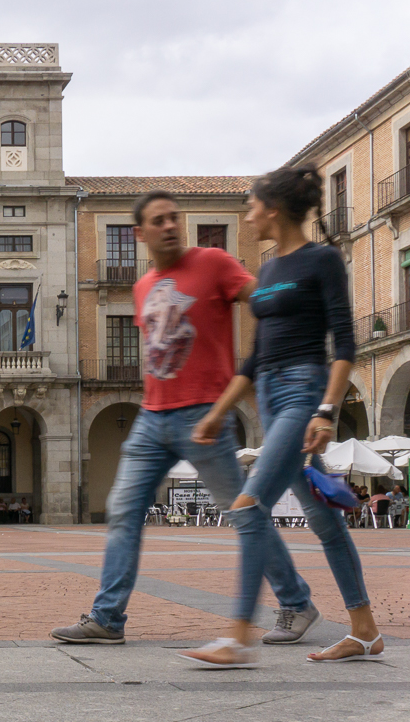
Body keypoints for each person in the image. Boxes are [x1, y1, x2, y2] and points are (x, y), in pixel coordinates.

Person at [55, 190, 319, 645]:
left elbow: (264, 301)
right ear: (140, 233)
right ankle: (108, 618)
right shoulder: (142, 286)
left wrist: (294, 301)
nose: (170, 226)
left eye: (174, 217)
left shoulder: (213, 262)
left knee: (243, 513)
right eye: (159, 220)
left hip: (204, 415)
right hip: (151, 416)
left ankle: (296, 602)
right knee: (123, 509)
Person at [181, 164, 383, 668]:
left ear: (273, 209)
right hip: (269, 397)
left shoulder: (323, 260)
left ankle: (237, 636)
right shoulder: (268, 271)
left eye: (251, 206)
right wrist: (218, 413)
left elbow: (345, 345)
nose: (248, 216)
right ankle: (365, 631)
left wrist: (326, 411)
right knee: (323, 519)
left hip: (302, 393)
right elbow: (253, 359)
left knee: (248, 506)